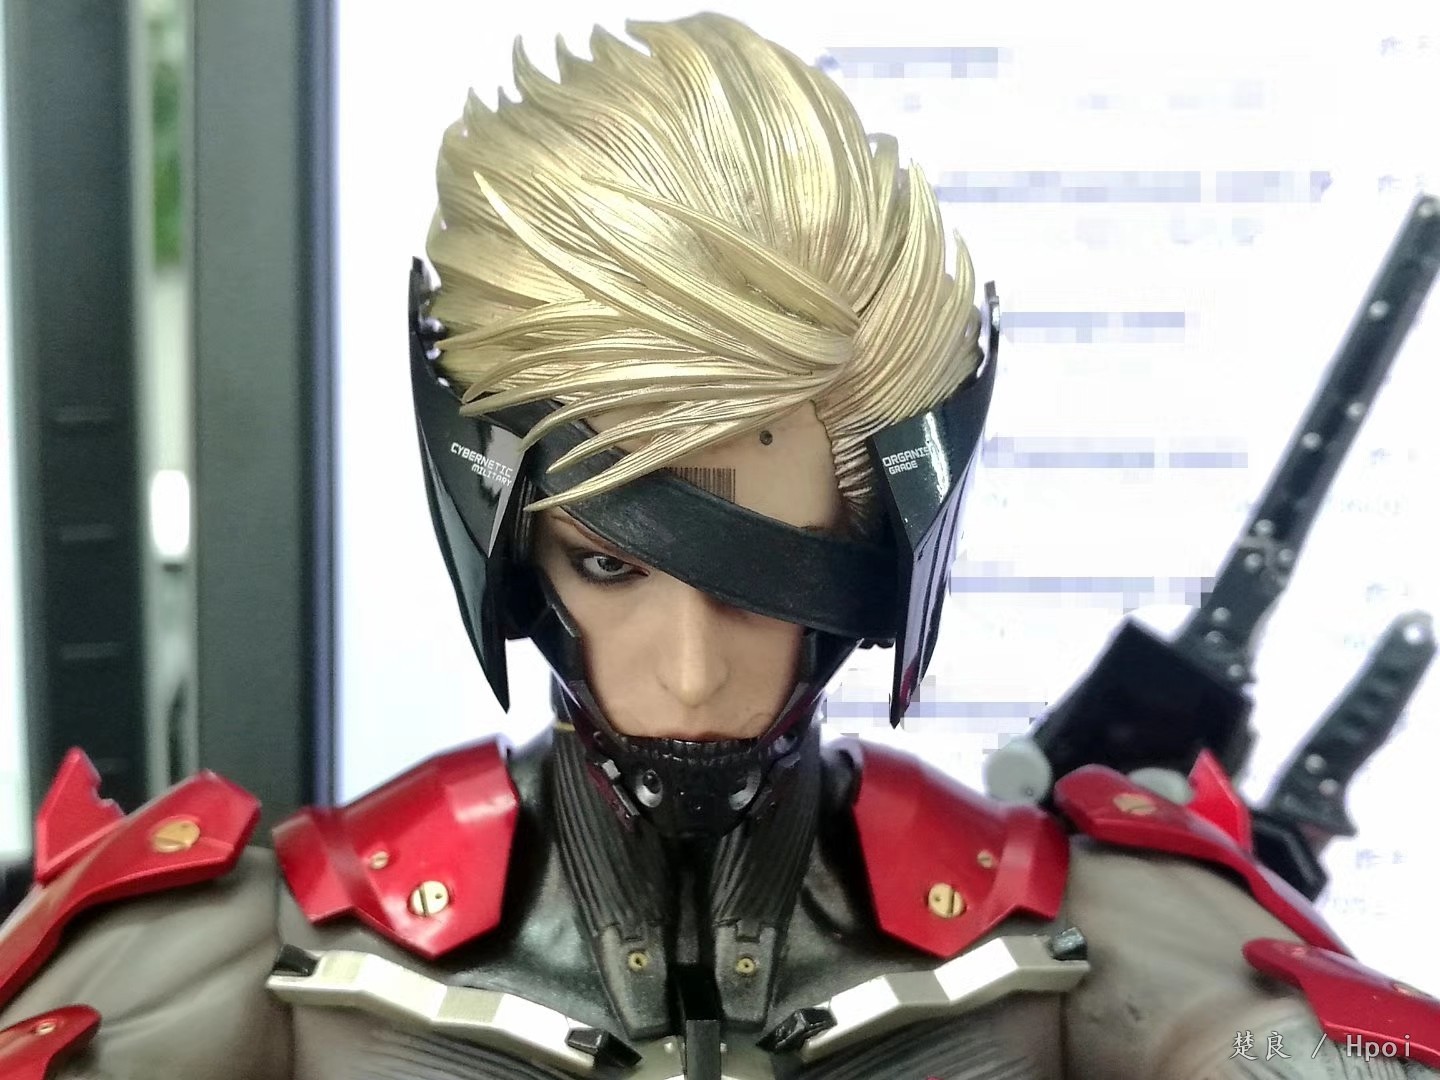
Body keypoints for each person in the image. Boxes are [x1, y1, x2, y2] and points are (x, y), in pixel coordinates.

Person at [0, 13, 1435, 1080]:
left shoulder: (1060, 925)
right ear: (508, 534)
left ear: (873, 547)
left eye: (768, 578)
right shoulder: (293, 940)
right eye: (612, 564)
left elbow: (1261, 1029)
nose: (689, 674)